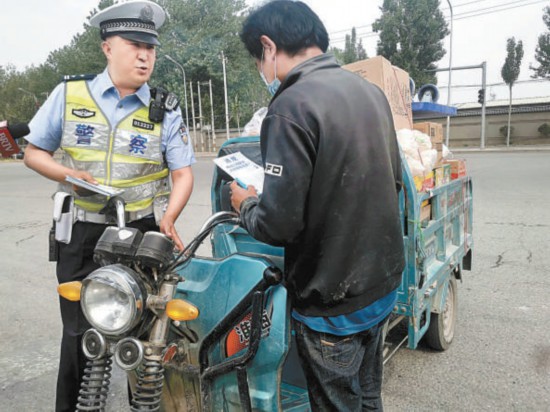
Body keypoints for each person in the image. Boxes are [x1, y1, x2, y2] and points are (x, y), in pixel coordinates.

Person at [230, 1, 405, 410]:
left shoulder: (291, 107)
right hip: (380, 284)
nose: (262, 68)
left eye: (259, 58)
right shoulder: (371, 93)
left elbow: (279, 225)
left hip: (332, 304)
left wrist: (246, 204)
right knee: (367, 397)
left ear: (268, 47)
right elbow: (393, 180)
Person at [23, 1, 194, 410]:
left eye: (151, 48)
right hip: (83, 234)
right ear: (107, 47)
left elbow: (183, 173)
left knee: (147, 337)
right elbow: (33, 152)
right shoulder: (69, 94)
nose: (145, 56)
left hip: (141, 234)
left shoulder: (164, 108)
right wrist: (69, 175)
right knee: (81, 335)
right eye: (135, 45)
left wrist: (169, 216)